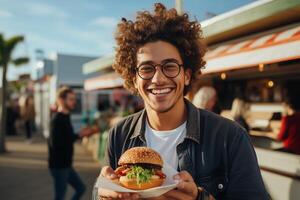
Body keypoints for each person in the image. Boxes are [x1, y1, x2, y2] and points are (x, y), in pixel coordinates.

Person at [97, 3, 268, 200]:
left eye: (170, 66)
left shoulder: (230, 137)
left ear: (186, 75)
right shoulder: (119, 135)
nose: (158, 79)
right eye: (146, 68)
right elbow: (105, 188)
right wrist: (102, 195)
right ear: (134, 78)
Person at [48, 86, 86, 200]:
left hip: (66, 165)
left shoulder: (66, 116)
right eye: (71, 99)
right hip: (59, 166)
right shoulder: (57, 120)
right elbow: (56, 144)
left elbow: (66, 138)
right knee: (60, 197)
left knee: (81, 188)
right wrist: (79, 135)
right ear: (61, 100)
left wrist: (79, 135)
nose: (74, 102)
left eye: (74, 99)